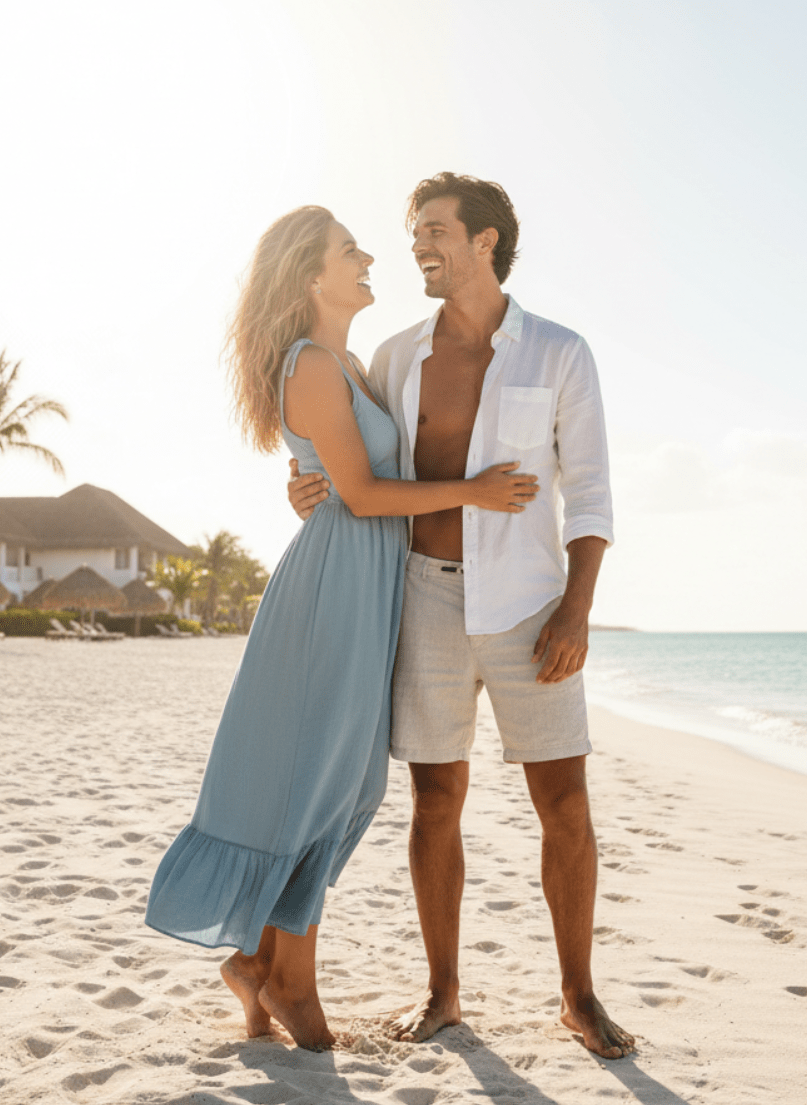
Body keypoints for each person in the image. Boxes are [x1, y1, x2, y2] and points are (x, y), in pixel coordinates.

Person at [144, 205, 538, 1053]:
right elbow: (357, 493)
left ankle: (259, 962)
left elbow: (340, 473)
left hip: (368, 584)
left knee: (348, 782)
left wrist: (315, 481)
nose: (368, 260)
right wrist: (473, 492)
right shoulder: (313, 363)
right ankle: (285, 976)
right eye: (348, 250)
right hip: (332, 588)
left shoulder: (352, 363)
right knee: (321, 780)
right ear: (309, 276)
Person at [288, 174, 635, 1060]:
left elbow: (590, 491)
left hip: (530, 604)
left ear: (485, 241)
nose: (418, 246)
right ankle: (442, 992)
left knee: (563, 802)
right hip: (424, 594)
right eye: (414, 232)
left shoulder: (559, 352)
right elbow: (355, 456)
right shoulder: (395, 356)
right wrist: (308, 486)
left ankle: (577, 994)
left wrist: (577, 609)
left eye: (435, 230)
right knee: (435, 798)